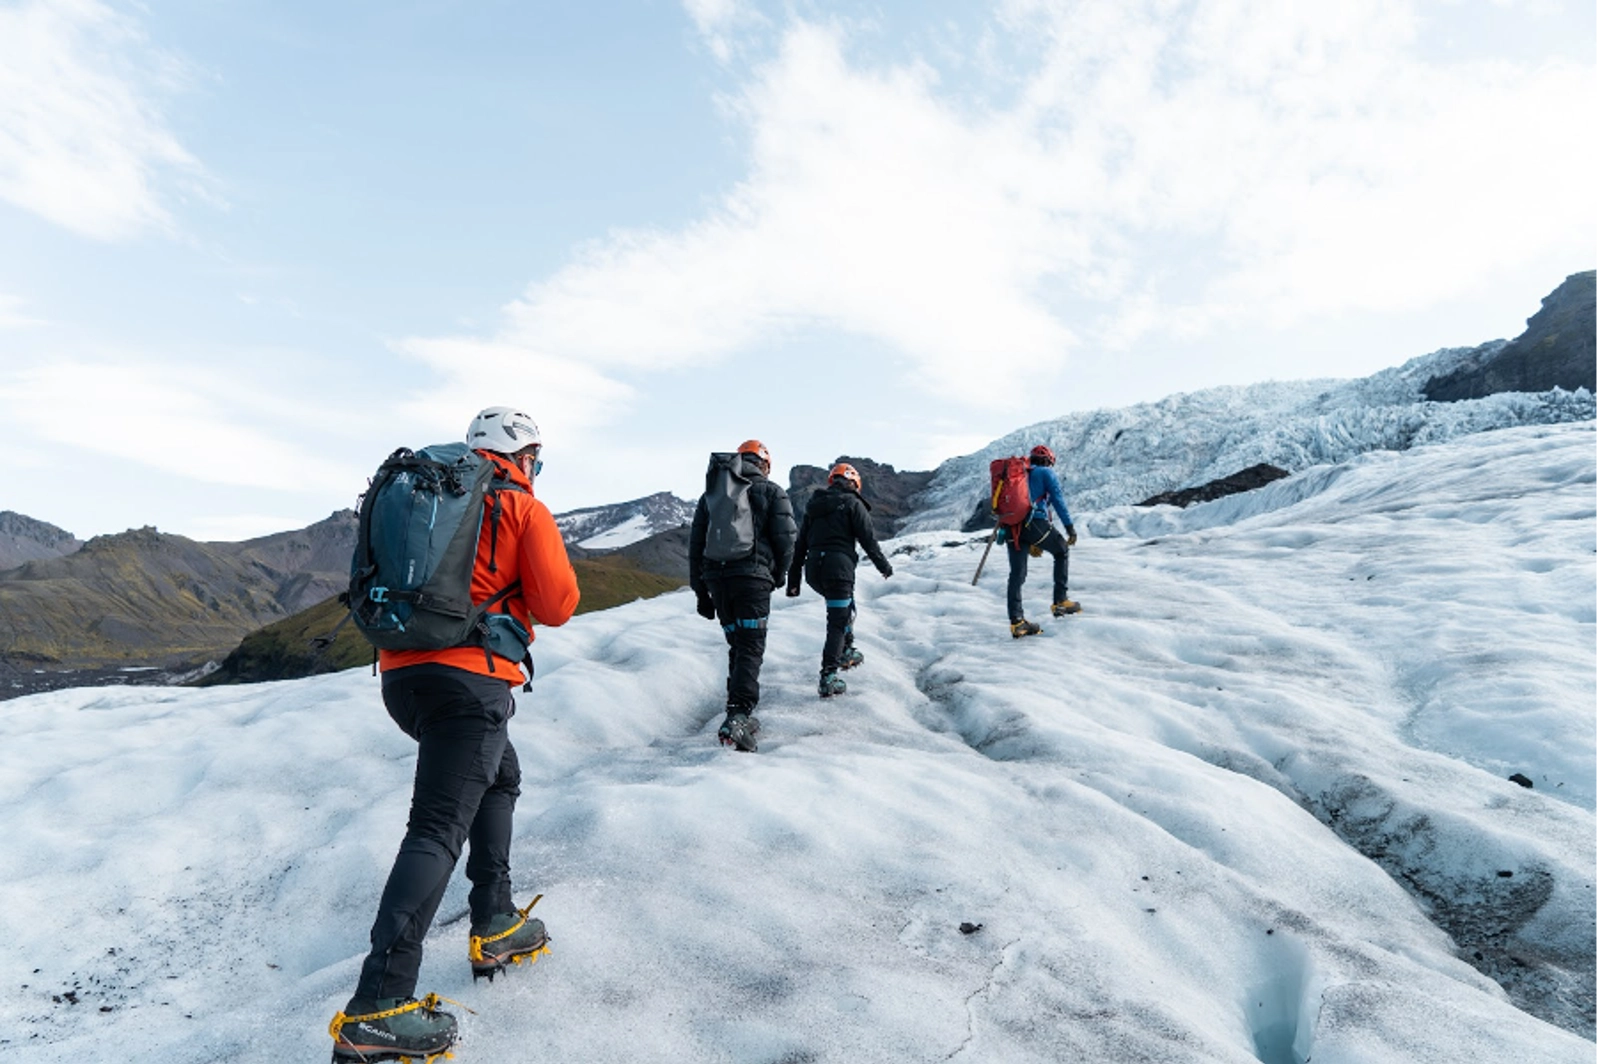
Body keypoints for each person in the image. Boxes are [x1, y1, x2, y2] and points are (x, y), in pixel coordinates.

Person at [330, 406, 580, 1062]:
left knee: (500, 773)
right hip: (470, 683)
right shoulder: (521, 507)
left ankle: (495, 921)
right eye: (537, 460)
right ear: (522, 457)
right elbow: (557, 605)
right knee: (438, 828)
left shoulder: (429, 492)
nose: (536, 471)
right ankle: (379, 1007)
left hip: (403, 679)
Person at [688, 439, 796, 752]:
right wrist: (778, 574)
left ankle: (735, 710)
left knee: (737, 643)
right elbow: (786, 538)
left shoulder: (712, 495)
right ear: (765, 464)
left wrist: (701, 593)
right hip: (752, 579)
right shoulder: (773, 491)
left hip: (717, 581)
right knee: (750, 646)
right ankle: (738, 716)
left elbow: (695, 547)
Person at [786, 462, 893, 697]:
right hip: (838, 569)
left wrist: (793, 581)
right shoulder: (853, 504)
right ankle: (829, 675)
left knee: (843, 608)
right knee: (837, 620)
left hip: (815, 570)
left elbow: (800, 545)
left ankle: (846, 649)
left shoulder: (814, 507)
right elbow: (868, 541)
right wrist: (884, 566)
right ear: (854, 484)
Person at [1007, 444, 1080, 638]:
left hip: (1012, 527)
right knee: (1061, 550)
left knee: (1017, 574)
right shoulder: (1045, 472)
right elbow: (1057, 499)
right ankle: (1060, 602)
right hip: (1034, 523)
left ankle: (1017, 622)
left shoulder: (1018, 474)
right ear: (1048, 461)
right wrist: (1069, 527)